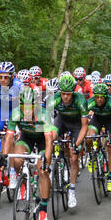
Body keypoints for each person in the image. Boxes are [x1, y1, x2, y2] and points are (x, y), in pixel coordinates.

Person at [0, 87, 57, 220]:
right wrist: (4, 156)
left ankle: (43, 208)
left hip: (43, 138)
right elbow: (9, 136)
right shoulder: (15, 113)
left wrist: (46, 163)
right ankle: (23, 180)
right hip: (27, 136)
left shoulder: (42, 114)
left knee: (42, 170)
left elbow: (49, 141)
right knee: (17, 157)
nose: (26, 110)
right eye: (23, 106)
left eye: (29, 106)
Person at [46, 75, 89, 208]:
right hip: (62, 121)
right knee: (49, 138)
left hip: (77, 126)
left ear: (73, 92)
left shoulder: (80, 100)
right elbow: (47, 120)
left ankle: (72, 190)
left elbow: (85, 126)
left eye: (68, 94)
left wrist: (76, 145)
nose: (65, 97)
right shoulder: (55, 99)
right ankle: (50, 165)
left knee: (74, 157)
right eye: (63, 93)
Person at [86, 83, 111, 192]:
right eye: (97, 97)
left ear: (106, 96)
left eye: (102, 97)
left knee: (110, 146)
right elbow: (83, 117)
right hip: (97, 119)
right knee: (88, 138)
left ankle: (110, 176)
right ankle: (92, 156)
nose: (99, 99)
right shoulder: (90, 102)